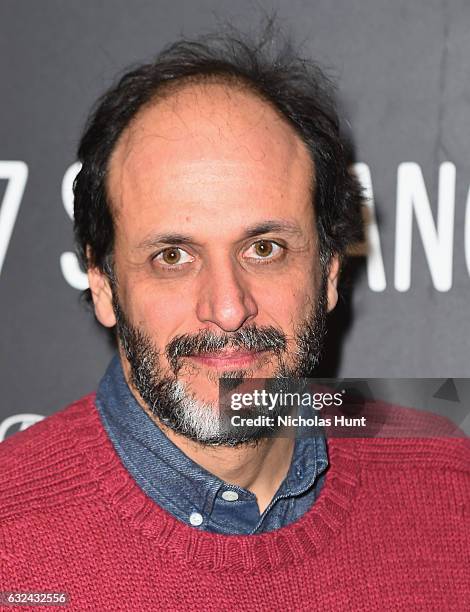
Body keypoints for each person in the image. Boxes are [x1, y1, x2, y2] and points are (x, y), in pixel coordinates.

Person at [0, 29, 468, 611]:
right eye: (173, 257)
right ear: (103, 284)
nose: (226, 307)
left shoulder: (451, 485)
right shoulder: (9, 540)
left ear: (326, 270)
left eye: (264, 249)